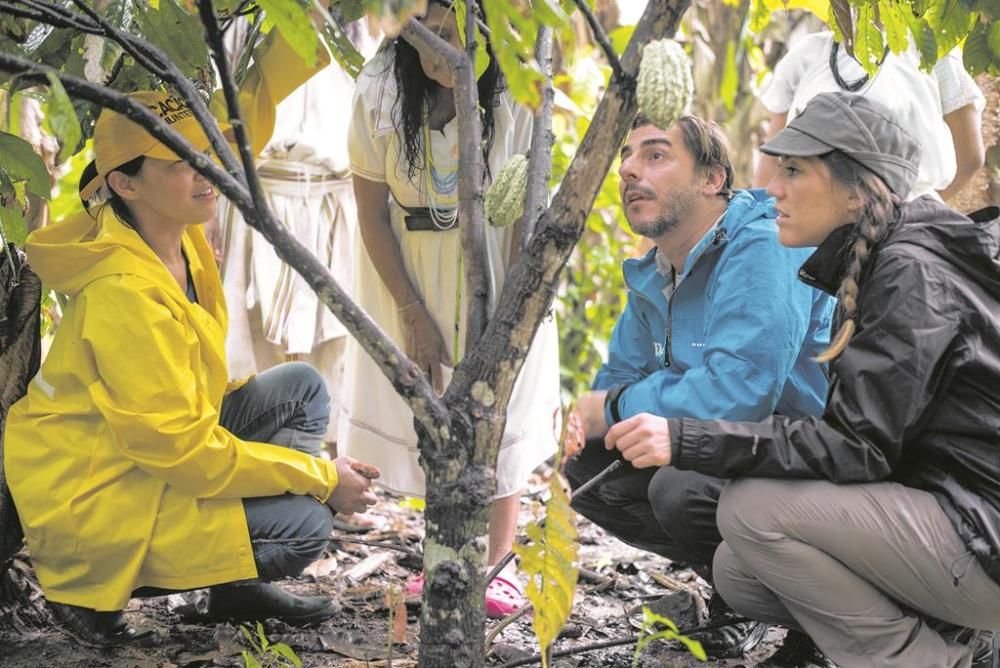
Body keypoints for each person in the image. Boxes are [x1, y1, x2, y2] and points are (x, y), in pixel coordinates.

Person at [3, 26, 379, 647]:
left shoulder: (177, 237)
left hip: (142, 457)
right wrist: (317, 474)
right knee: (305, 522)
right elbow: (187, 456)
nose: (205, 171)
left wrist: (316, 18)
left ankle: (235, 590)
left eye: (202, 153)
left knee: (300, 390)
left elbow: (244, 120)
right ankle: (88, 597)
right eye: (179, 162)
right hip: (95, 499)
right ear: (124, 184)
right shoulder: (122, 294)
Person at [607, 92, 1000, 667]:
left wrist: (688, 438)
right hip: (954, 517)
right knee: (740, 572)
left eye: (794, 171)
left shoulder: (910, 274)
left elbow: (858, 448)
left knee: (752, 512)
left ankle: (923, 659)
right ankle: (961, 641)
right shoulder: (877, 260)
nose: (773, 189)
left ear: (856, 188)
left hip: (980, 533)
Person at [565, 113, 835, 659]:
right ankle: (739, 597)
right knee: (590, 468)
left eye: (656, 155)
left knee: (679, 487)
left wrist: (616, 405)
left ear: (712, 179)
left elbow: (739, 390)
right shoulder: (654, 271)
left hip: (808, 454)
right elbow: (618, 376)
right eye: (627, 158)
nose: (630, 171)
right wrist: (600, 412)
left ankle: (815, 627)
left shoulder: (764, 243)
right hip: (729, 448)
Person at [341, 0, 561, 616]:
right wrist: (410, 310)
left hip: (496, 261)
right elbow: (370, 212)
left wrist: (512, 307)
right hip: (409, 268)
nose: (444, 51)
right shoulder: (379, 87)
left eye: (460, 35)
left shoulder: (518, 88)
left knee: (499, 408)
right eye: (430, 34)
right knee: (434, 409)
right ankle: (444, 556)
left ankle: (496, 565)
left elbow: (527, 206)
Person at [219, 19, 379, 447]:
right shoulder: (247, 21)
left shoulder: (361, 25)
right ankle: (267, 459)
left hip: (336, 196)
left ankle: (327, 459)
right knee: (257, 330)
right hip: (262, 191)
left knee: (337, 335)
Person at [754, 30, 985, 202]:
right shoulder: (807, 53)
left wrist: (914, 204)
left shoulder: (931, 47)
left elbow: (970, 156)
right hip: (815, 234)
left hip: (908, 225)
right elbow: (772, 161)